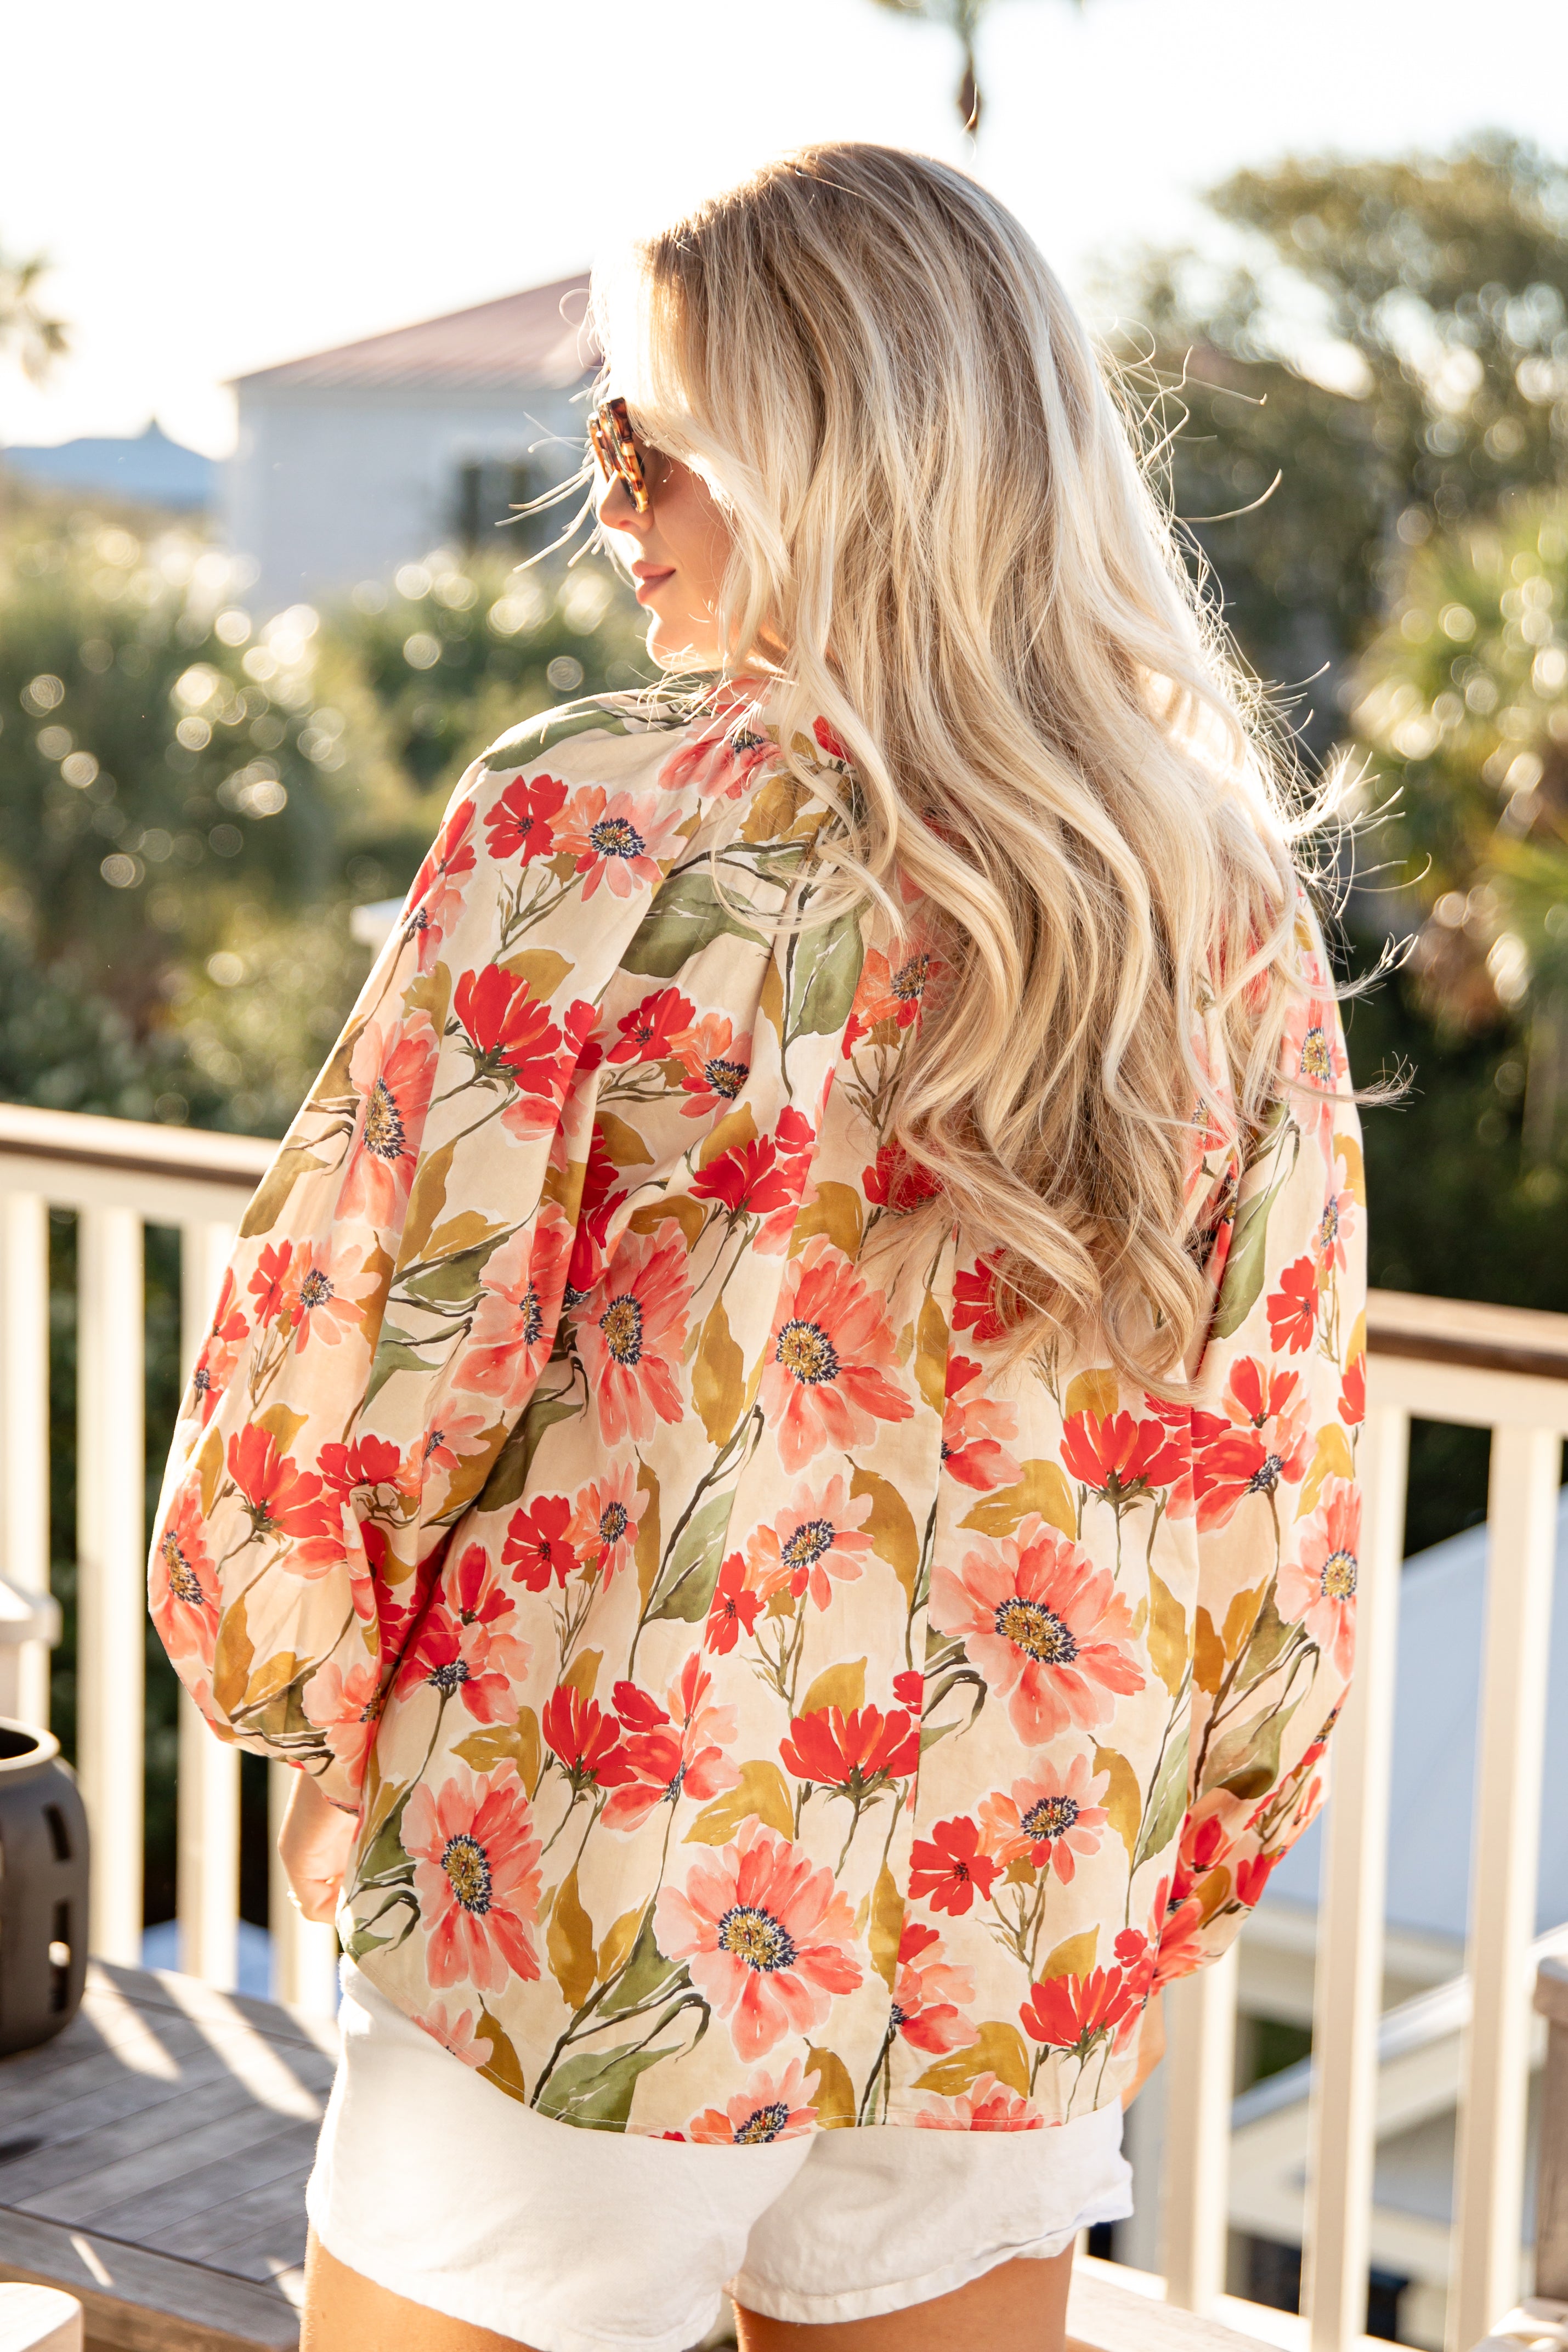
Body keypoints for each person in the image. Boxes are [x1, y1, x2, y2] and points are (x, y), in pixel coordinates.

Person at [150, 143, 1366, 2352]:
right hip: (1016, 1904)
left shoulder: (590, 822)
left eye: (641, 440)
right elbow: (1273, 1445)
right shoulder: (1205, 883)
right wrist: (1176, 1866)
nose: (600, 499)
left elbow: (362, 1348)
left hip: (597, 1881)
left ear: (829, 458)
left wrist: (302, 1696)